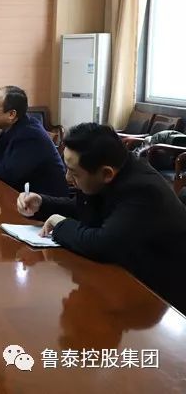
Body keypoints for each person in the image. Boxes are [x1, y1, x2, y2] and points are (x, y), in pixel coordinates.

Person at [17, 122, 186, 312]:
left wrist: (61, 225)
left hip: (159, 294)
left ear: (106, 174)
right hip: (123, 275)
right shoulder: (112, 170)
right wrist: (42, 204)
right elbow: (83, 208)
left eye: (74, 173)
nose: (67, 178)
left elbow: (103, 245)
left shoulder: (143, 190)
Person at [0, 86, 68, 197]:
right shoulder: (13, 127)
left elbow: (9, 174)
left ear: (11, 114)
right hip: (18, 196)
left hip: (44, 203)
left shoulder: (29, 134)